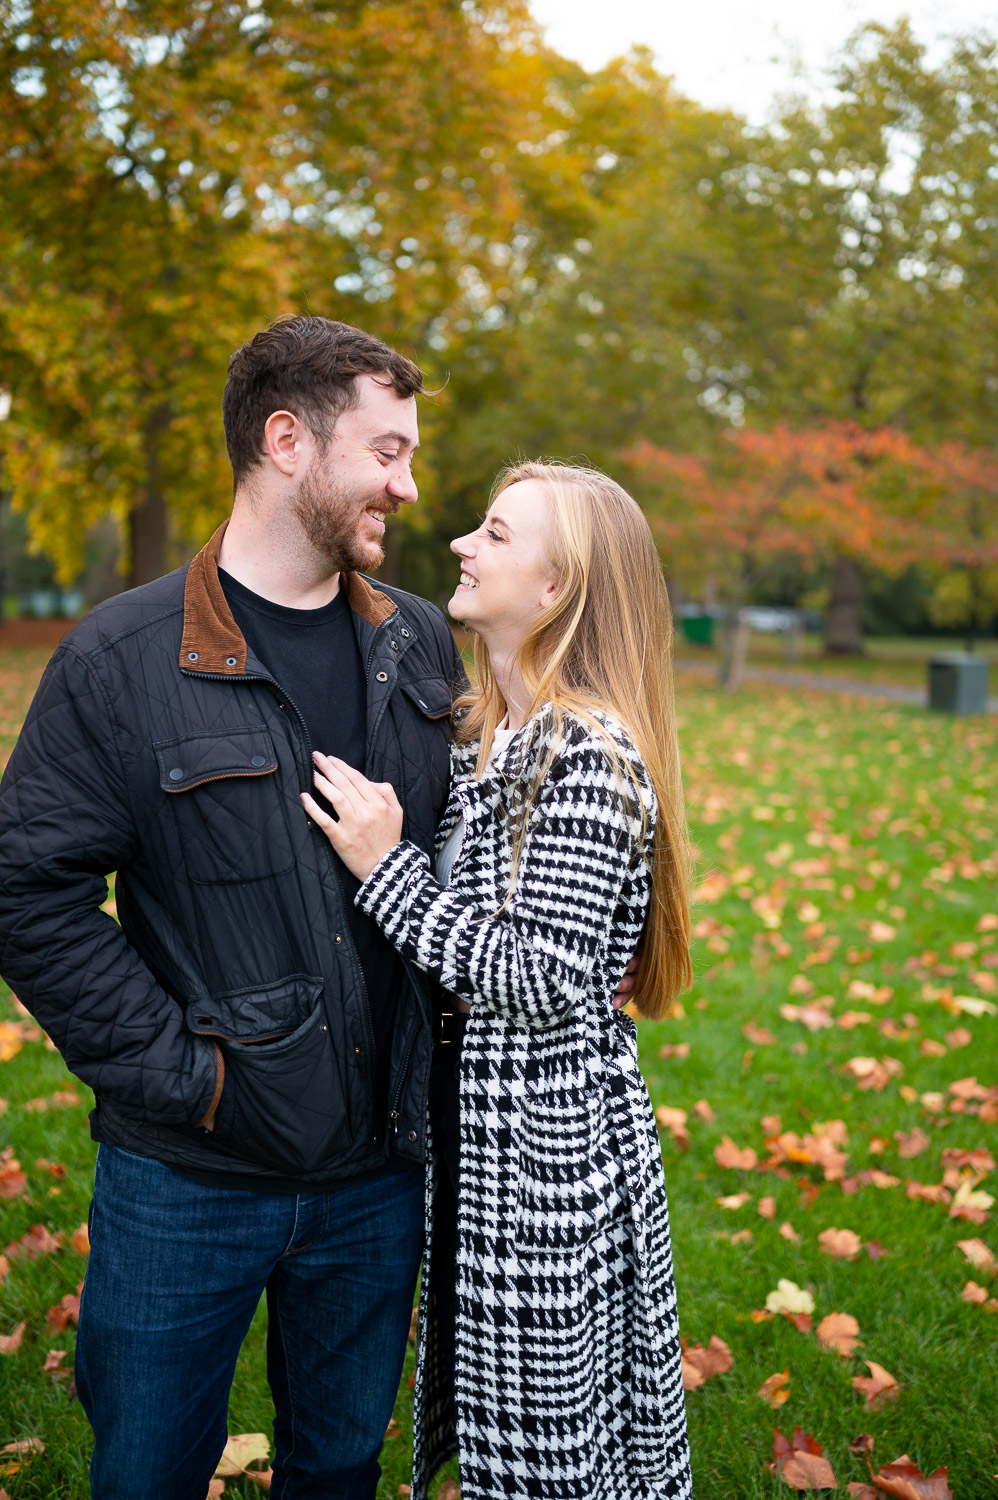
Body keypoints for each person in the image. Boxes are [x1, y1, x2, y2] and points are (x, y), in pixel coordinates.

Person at [0, 316, 466, 1500]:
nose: (407, 486)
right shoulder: (121, 655)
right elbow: (28, 886)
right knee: (148, 1471)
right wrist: (185, 1078)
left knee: (340, 1466)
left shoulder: (418, 646)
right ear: (285, 440)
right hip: (187, 1181)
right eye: (386, 451)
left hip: (378, 1174)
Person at [303, 461, 695, 1500]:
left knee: (551, 1463)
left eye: (494, 533)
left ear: (556, 588)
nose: (462, 548)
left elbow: (543, 976)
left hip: (545, 1162)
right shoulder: (487, 734)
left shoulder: (586, 753)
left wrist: (385, 868)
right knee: (499, 1449)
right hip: (479, 1144)